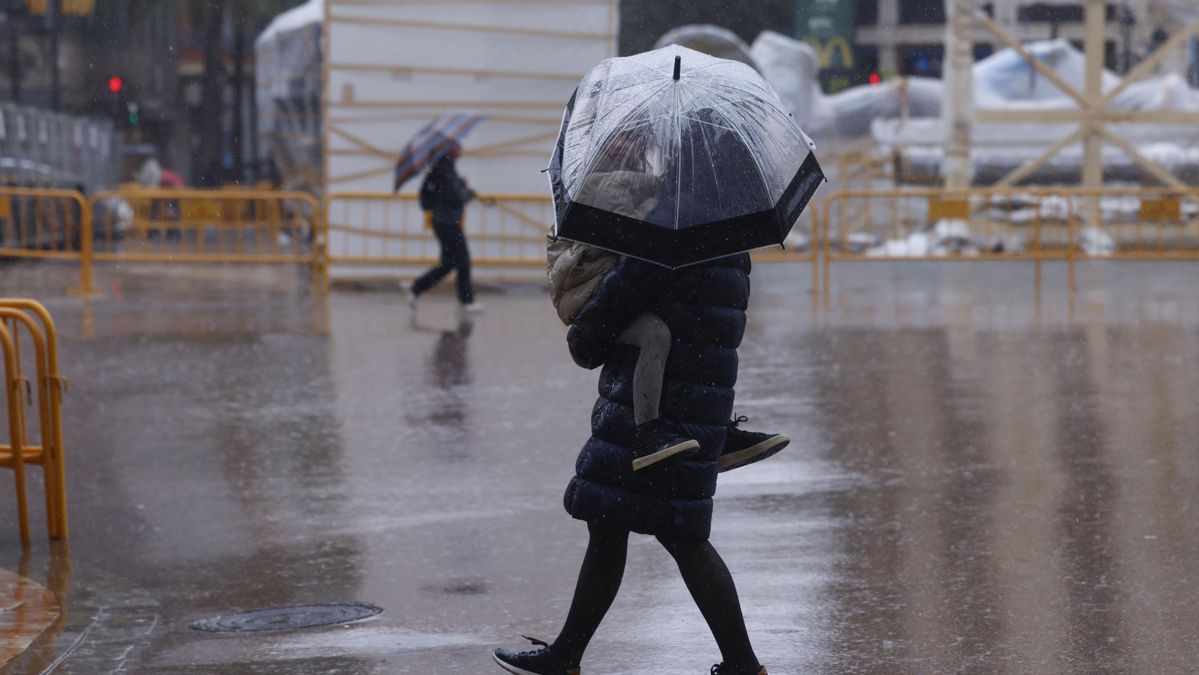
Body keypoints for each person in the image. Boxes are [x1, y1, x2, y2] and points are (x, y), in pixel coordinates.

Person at [494, 250, 776, 675]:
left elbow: (622, 295)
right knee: (614, 524)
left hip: (657, 411)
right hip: (694, 398)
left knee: (677, 535)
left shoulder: (667, 231)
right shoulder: (729, 241)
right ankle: (567, 655)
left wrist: (585, 332)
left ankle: (742, 663)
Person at [407, 142, 490, 310]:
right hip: (447, 222)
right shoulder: (444, 171)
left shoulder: (444, 168)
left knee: (450, 262)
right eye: (457, 146)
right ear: (449, 150)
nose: (461, 149)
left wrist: (461, 185)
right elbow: (455, 198)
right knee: (461, 259)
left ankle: (417, 288)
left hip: (444, 221)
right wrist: (468, 194)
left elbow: (446, 193)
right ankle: (465, 300)